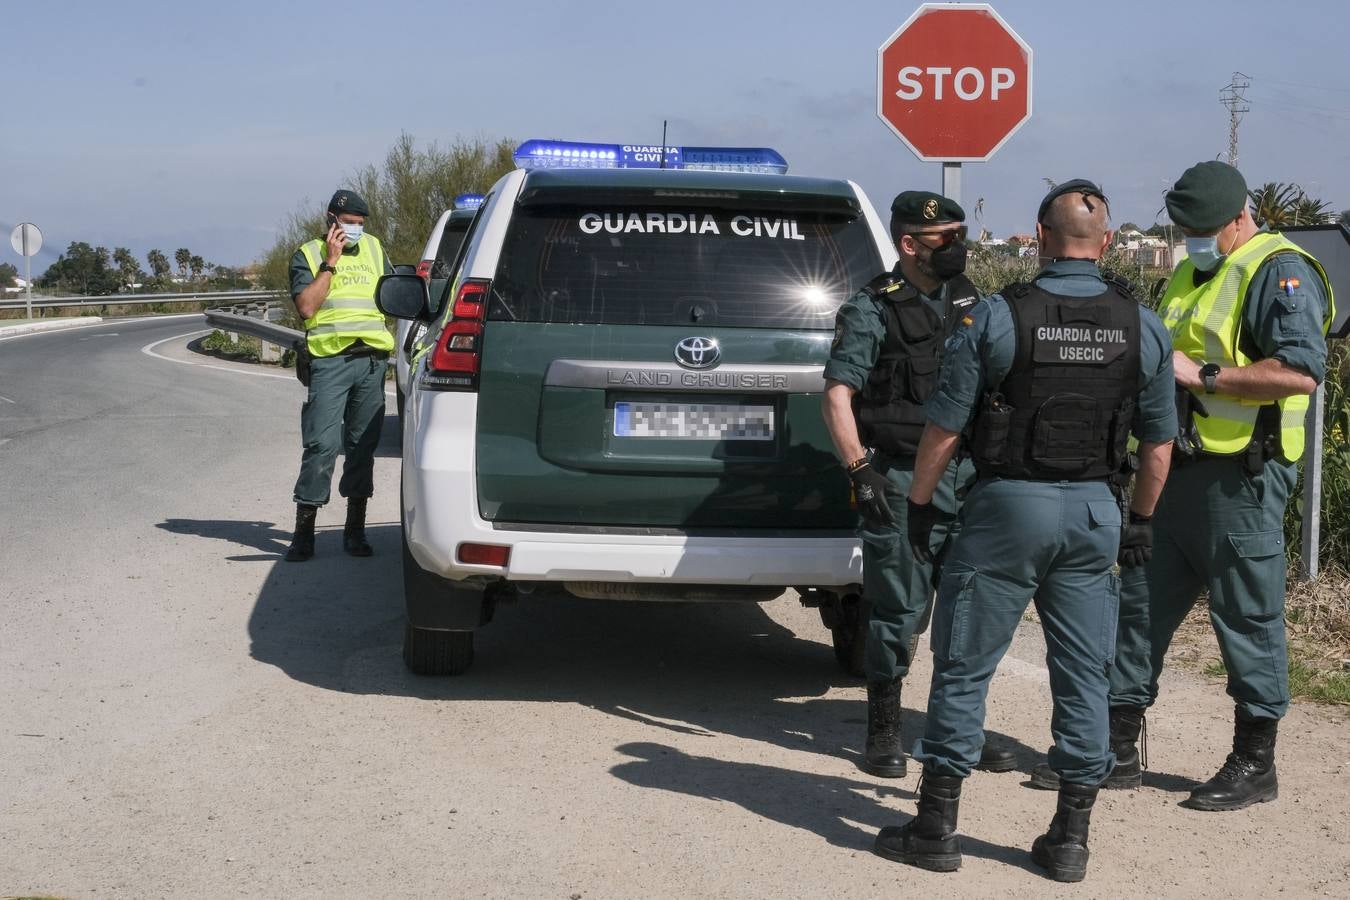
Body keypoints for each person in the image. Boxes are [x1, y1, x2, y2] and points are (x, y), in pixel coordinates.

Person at [872, 180, 1176, 882]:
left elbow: (944, 430)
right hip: (1097, 513)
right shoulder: (1143, 325)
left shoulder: (999, 318)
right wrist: (1143, 523)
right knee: (1083, 674)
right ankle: (1070, 839)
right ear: (1103, 244)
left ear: (1040, 237)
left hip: (1007, 509)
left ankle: (936, 827)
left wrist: (921, 507)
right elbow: (1158, 446)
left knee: (964, 665)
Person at [1100, 161, 1335, 812]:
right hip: (1174, 468)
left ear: (1239, 216)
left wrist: (1200, 373)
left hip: (1241, 478)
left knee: (1247, 618)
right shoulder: (1189, 268)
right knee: (1137, 607)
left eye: (1203, 229)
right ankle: (1116, 749)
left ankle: (1254, 762)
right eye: (1184, 229)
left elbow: (1299, 373)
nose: (1192, 239)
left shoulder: (1278, 271)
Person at [822, 191, 1015, 778]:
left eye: (961, 236)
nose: (958, 247)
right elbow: (836, 394)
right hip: (901, 475)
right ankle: (883, 726)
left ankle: (957, 728)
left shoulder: (976, 301)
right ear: (909, 244)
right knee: (899, 608)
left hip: (971, 477)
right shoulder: (873, 307)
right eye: (944, 238)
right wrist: (860, 469)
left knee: (970, 608)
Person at [283, 189, 395, 562]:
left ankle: (355, 531)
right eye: (348, 224)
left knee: (362, 448)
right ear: (331, 219)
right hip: (330, 361)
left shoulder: (376, 249)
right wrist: (330, 262)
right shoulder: (308, 254)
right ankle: (304, 535)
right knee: (322, 446)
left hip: (372, 361)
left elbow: (394, 295)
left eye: (360, 225)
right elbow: (307, 306)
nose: (355, 231)